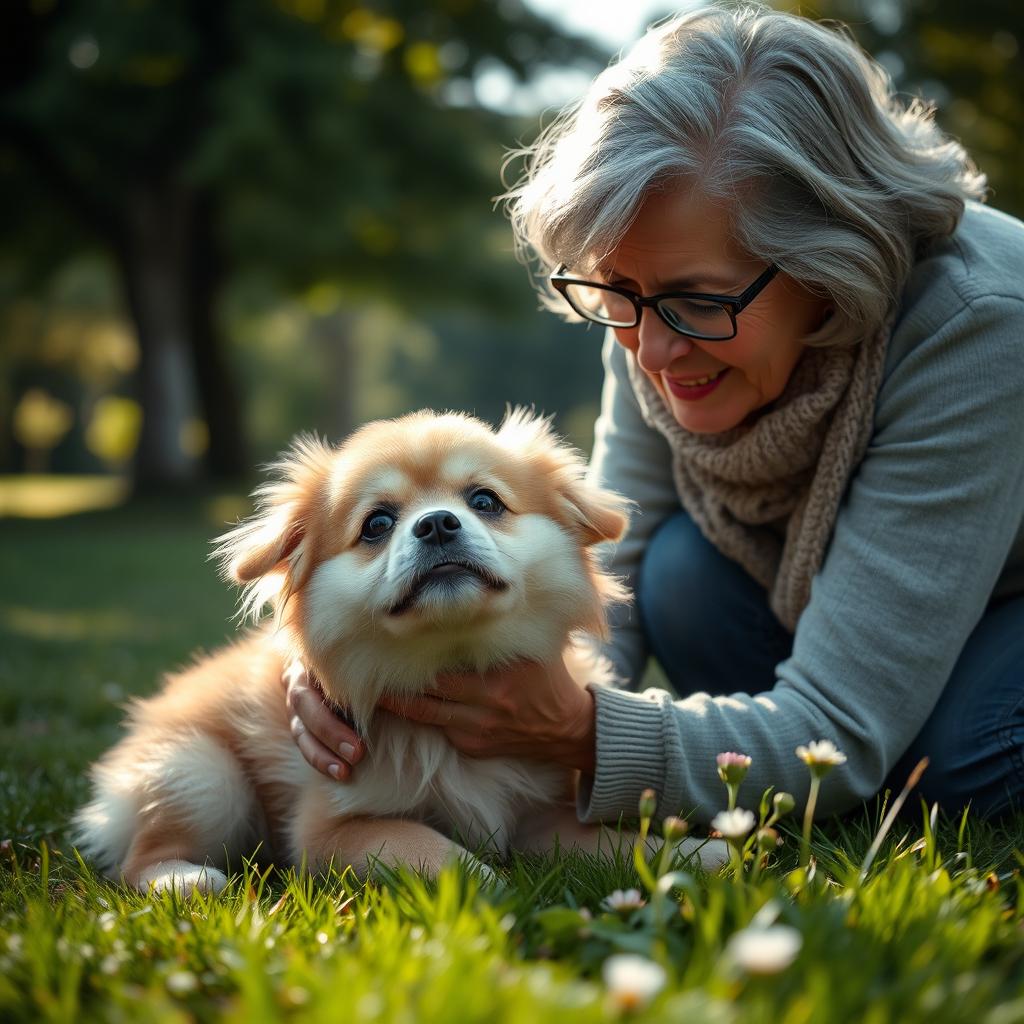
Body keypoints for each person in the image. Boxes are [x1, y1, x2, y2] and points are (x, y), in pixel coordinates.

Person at [284, 4, 1024, 821]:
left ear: (833, 257)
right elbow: (612, 572)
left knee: (956, 764)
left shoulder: (979, 322)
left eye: (695, 304)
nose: (649, 351)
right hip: (825, 608)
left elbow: (838, 731)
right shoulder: (652, 298)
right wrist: (369, 673)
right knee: (673, 574)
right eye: (619, 294)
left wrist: (587, 732)